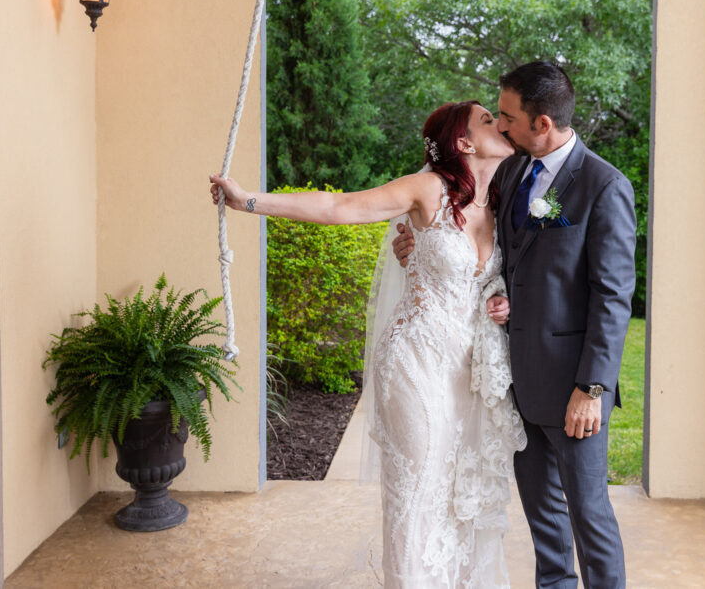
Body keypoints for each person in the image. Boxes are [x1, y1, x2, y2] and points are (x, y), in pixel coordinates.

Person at [209, 100, 527, 588]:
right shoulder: (428, 189)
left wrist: (500, 297)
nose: (501, 125)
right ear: (463, 143)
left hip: (469, 371)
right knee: (419, 489)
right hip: (416, 361)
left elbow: (497, 277)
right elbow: (342, 207)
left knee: (461, 492)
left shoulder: (504, 200)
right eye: (489, 120)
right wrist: (247, 200)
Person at [394, 62, 637, 588]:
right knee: (544, 519)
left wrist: (591, 388)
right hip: (516, 384)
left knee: (589, 518)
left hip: (575, 389)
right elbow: (484, 244)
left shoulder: (603, 186)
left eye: (508, 117)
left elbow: (613, 297)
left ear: (542, 122)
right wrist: (415, 242)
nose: (500, 126)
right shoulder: (510, 172)